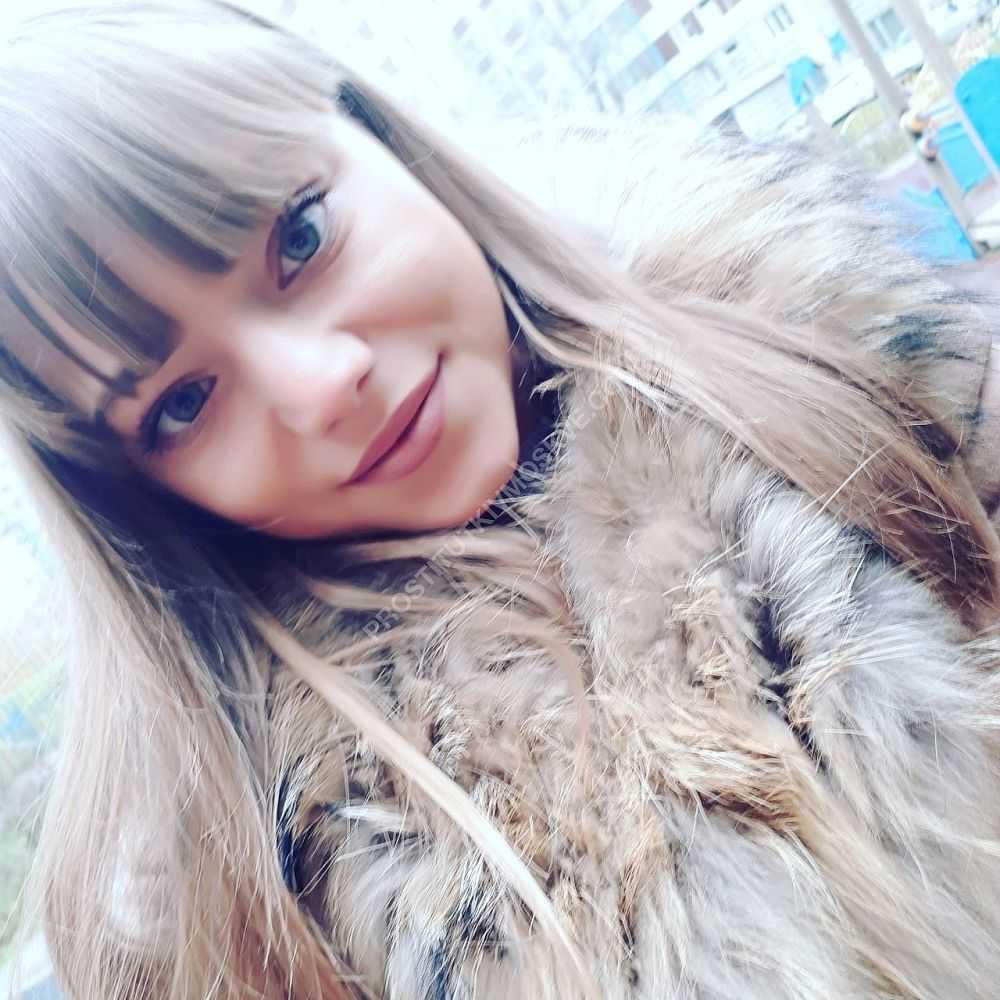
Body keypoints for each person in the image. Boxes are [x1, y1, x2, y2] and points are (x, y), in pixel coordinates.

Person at [2, 2, 1000, 998]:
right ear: (140, 497)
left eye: (301, 238)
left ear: (382, 140)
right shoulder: (252, 901)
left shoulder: (843, 338)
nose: (322, 388)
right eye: (182, 404)